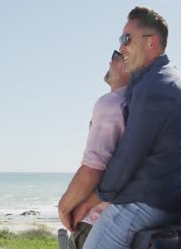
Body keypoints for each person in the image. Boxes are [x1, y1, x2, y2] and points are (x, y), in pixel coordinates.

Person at [82, 6, 181, 249]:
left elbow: (126, 160)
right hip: (164, 203)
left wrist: (89, 200)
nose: (122, 47)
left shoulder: (154, 87)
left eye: (127, 39)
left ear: (152, 43)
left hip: (144, 204)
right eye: (120, 39)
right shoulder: (168, 80)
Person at [58, 50, 130, 249]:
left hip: (96, 225)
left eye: (116, 55)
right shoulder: (138, 105)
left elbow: (94, 168)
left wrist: (64, 208)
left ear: (127, 64)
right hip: (122, 225)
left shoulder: (111, 103)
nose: (110, 60)